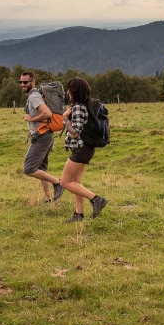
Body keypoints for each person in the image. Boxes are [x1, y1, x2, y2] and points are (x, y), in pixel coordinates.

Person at [60, 77, 108, 222]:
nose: (67, 92)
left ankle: (96, 199)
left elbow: (75, 133)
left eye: (69, 89)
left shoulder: (79, 107)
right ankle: (78, 214)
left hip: (81, 149)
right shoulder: (83, 105)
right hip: (84, 148)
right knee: (75, 182)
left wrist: (65, 119)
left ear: (74, 91)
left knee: (64, 182)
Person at [19, 71, 64, 203]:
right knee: (41, 168)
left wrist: (31, 118)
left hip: (42, 136)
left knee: (29, 168)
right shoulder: (36, 95)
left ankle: (57, 183)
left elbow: (48, 113)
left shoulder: (34, 97)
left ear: (32, 82)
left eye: (25, 82)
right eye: (21, 82)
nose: (22, 84)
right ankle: (47, 197)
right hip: (46, 135)